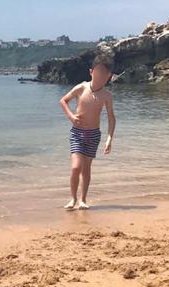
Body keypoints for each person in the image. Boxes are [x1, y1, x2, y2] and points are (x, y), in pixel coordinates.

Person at [59, 54, 116, 210]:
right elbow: (63, 101)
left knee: (86, 169)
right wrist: (71, 116)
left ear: (109, 76)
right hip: (77, 132)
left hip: (93, 134)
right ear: (91, 72)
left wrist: (109, 138)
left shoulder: (106, 95)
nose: (100, 77)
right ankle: (72, 199)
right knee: (76, 167)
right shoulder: (81, 88)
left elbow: (111, 118)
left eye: (104, 75)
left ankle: (83, 199)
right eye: (98, 73)